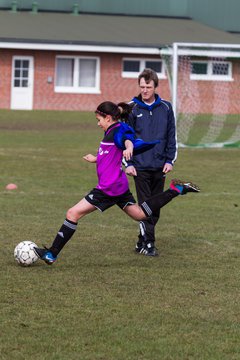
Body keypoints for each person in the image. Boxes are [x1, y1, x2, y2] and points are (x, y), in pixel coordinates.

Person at [34, 101, 199, 265]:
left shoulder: (118, 130)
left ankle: (52, 254)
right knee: (140, 214)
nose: (98, 124)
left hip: (108, 188)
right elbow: (110, 155)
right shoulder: (110, 131)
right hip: (118, 186)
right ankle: (175, 190)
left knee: (72, 214)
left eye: (99, 120)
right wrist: (96, 159)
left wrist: (129, 147)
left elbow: (126, 139)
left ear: (107, 118)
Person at [125, 68, 177, 256]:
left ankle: (141, 241)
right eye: (142, 86)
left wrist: (170, 160)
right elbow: (124, 138)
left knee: (155, 208)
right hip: (139, 167)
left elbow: (171, 135)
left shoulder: (166, 107)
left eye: (148, 86)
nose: (145, 90)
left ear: (155, 86)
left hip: (160, 165)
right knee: (146, 206)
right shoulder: (131, 108)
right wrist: (128, 164)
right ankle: (149, 244)